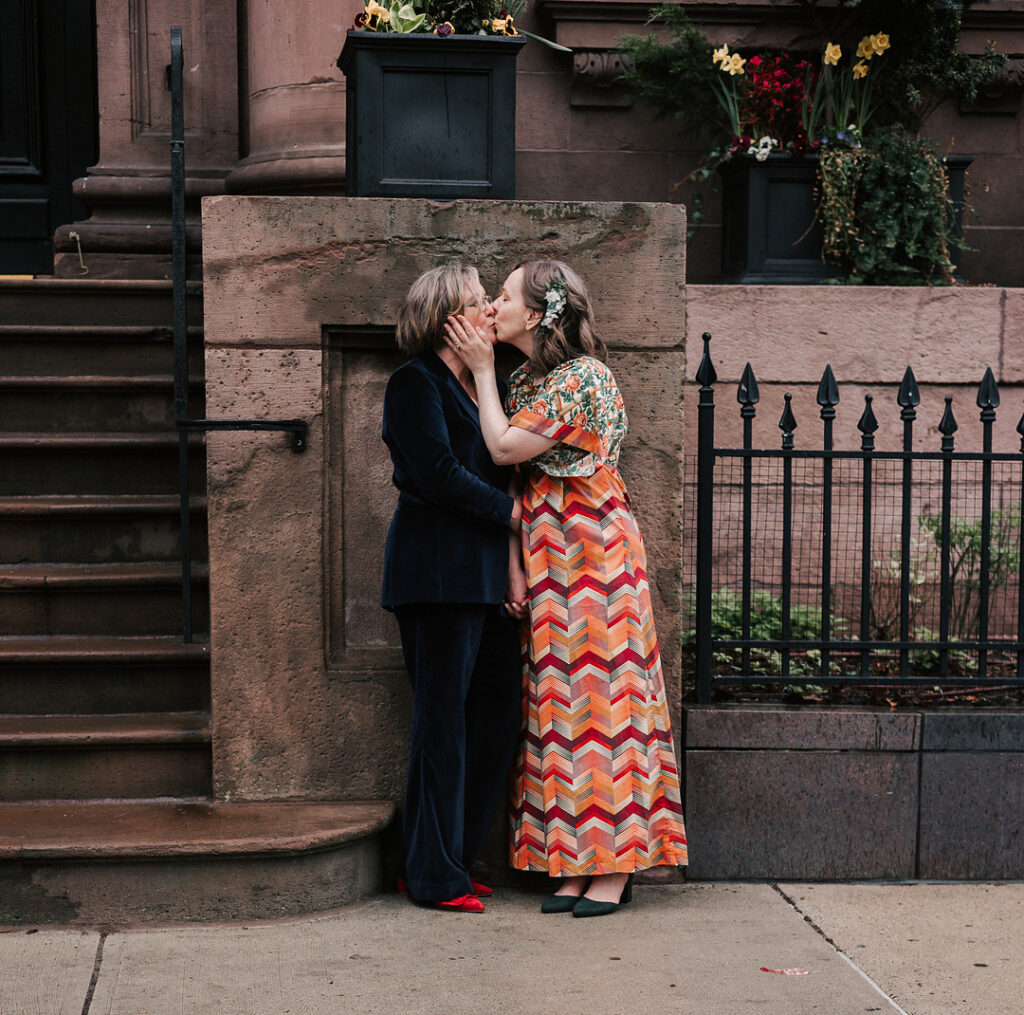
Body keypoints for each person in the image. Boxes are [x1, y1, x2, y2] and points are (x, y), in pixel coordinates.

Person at [443, 259, 688, 917]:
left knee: (610, 703)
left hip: (594, 546)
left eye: (503, 295)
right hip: (545, 546)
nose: (493, 305)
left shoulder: (585, 377)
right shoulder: (529, 377)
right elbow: (514, 482)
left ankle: (618, 864)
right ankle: (574, 863)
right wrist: (518, 563)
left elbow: (502, 448)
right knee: (558, 707)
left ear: (540, 312)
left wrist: (484, 371)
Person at [381, 263, 524, 913]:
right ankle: (433, 877)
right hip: (435, 577)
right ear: (449, 318)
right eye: (478, 303)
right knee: (441, 724)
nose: (491, 312)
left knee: (495, 717)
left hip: (486, 579)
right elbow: (436, 472)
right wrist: (513, 516)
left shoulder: (487, 389)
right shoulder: (415, 383)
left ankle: (450, 859)